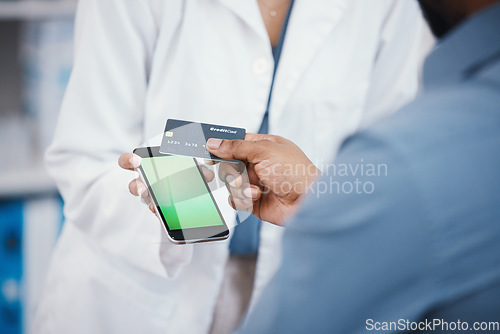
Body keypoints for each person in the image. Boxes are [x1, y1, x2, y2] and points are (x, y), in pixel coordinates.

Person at [35, 0, 430, 333]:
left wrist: (320, 194)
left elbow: (385, 169)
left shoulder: (391, 7)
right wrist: (186, 206)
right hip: (134, 299)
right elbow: (85, 159)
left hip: (297, 286)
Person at [200, 0, 500, 332]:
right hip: (179, 271)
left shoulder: (404, 160)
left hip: (307, 267)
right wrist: (323, 198)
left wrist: (333, 204)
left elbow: (389, 178)